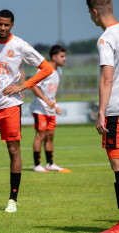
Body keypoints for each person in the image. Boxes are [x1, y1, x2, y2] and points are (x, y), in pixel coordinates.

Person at [0, 9, 53, 213]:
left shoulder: (20, 46)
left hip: (10, 106)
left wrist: (22, 86)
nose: (2, 28)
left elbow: (47, 68)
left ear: (12, 26)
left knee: (14, 150)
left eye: (6, 25)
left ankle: (12, 200)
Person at [87, 0, 119, 232]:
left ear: (95, 12)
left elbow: (107, 78)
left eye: (90, 13)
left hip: (116, 111)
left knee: (117, 165)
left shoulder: (106, 38)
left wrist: (100, 112)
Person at [30, 45, 71, 173]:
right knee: (40, 135)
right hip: (39, 108)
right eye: (62, 56)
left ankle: (50, 164)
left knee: (50, 135)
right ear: (54, 57)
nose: (65, 58)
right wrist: (46, 101)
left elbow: (53, 92)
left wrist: (56, 105)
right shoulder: (44, 69)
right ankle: (37, 165)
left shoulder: (59, 71)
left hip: (50, 109)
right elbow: (33, 86)